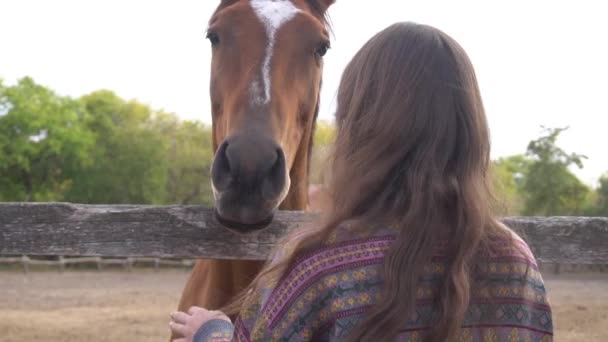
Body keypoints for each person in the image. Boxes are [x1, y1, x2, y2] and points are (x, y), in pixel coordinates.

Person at [169, 22, 553, 342]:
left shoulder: (317, 264)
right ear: (469, 128)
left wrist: (213, 332)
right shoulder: (515, 260)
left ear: (357, 123)